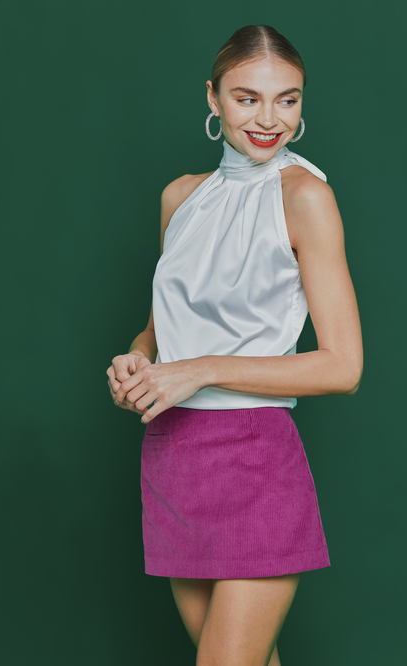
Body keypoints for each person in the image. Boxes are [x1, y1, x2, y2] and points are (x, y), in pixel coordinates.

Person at [106, 24, 363, 666]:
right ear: (213, 98)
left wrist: (199, 370)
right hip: (173, 456)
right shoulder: (180, 197)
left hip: (254, 457)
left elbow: (343, 367)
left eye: (287, 99)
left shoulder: (306, 197)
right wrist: (138, 361)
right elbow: (160, 329)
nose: (269, 119)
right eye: (247, 98)